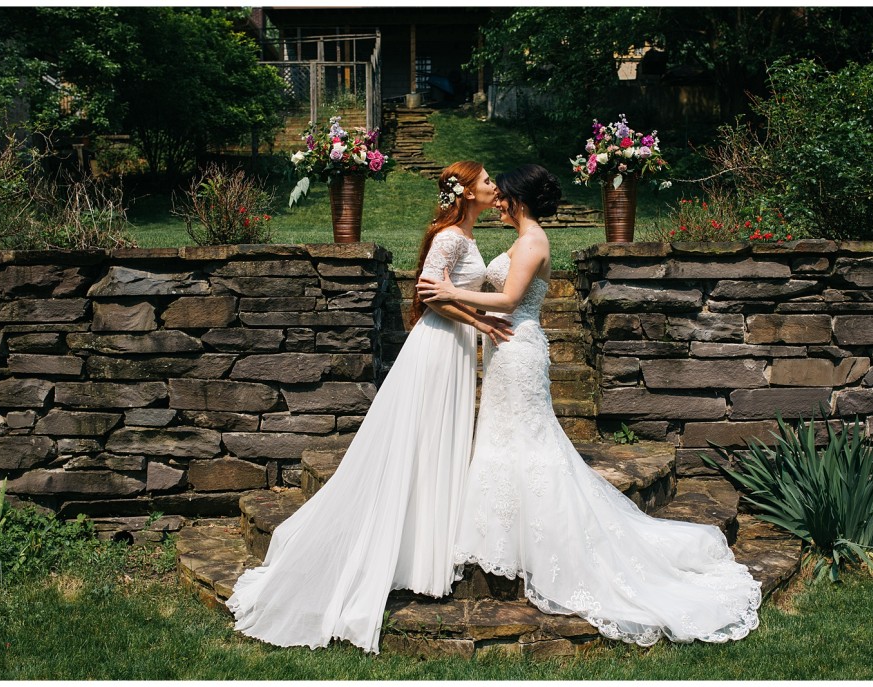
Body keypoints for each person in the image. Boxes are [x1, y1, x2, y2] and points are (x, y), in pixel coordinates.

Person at [416, 164, 762, 646]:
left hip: (518, 347)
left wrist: (452, 292)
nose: (497, 200)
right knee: (505, 436)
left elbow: (512, 297)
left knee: (531, 441)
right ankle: (501, 528)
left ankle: (543, 535)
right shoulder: (522, 236)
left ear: (519, 198)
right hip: (505, 347)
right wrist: (469, 312)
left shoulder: (533, 239)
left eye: (503, 194)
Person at [226, 161, 511, 653]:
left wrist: (480, 319)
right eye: (486, 181)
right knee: (422, 437)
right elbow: (429, 293)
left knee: (437, 440)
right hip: (439, 347)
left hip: (457, 346)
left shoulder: (465, 235)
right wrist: (480, 321)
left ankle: (425, 549)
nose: (493, 186)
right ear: (464, 193)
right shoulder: (449, 238)